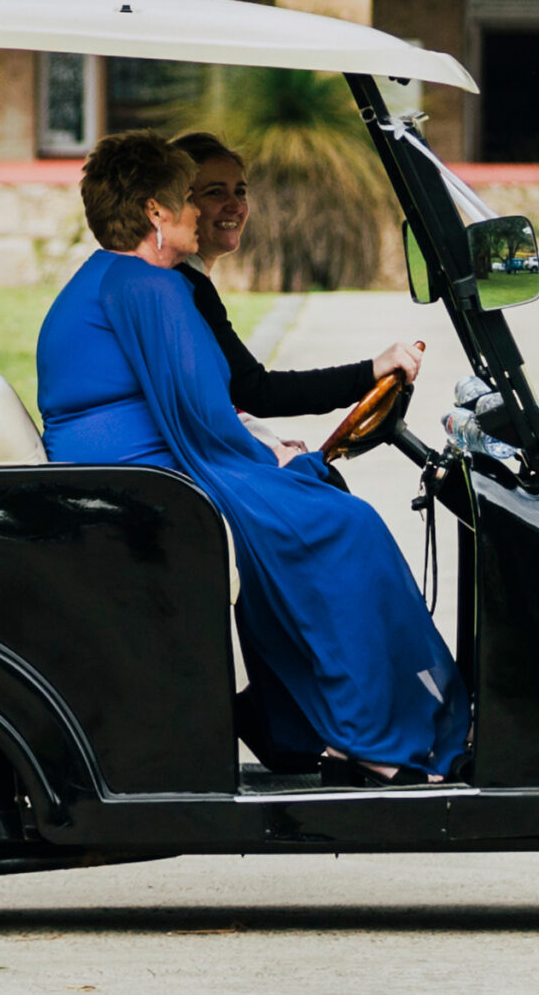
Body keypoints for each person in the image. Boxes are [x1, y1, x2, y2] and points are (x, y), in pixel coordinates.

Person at [36, 130, 468, 783]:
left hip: (145, 468)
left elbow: (204, 404)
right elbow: (199, 420)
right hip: (145, 481)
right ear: (156, 212)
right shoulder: (148, 288)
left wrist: (270, 453)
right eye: (191, 196)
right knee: (342, 526)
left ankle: (301, 721)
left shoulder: (132, 280)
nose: (207, 209)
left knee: (318, 502)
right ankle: (364, 734)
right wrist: (270, 459)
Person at [171, 130, 423, 427]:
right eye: (215, 192)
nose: (235, 205)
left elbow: (228, 392)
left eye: (240, 191)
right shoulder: (182, 286)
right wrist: (368, 373)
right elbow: (255, 391)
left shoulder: (187, 281)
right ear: (177, 204)